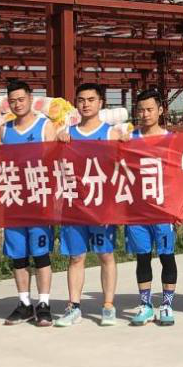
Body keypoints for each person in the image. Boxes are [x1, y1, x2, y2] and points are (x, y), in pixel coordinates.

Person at [54, 82, 122, 328]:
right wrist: (58, 143)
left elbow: (121, 170)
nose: (86, 104)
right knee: (76, 257)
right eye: (81, 100)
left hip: (101, 206)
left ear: (101, 103)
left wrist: (114, 205)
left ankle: (108, 305)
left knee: (106, 255)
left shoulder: (111, 134)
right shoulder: (66, 134)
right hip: (74, 205)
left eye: (91, 100)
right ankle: (74, 306)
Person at [0, 80, 58, 328]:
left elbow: (55, 162)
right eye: (12, 101)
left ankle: (43, 304)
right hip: (13, 201)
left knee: (40, 254)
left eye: (21, 99)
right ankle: (24, 303)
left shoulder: (45, 126)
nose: (17, 104)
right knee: (18, 255)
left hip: (38, 200)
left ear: (31, 99)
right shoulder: (4, 130)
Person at [126, 89, 179, 327]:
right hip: (137, 210)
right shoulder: (128, 139)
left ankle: (166, 304)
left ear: (160, 110)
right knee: (142, 258)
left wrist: (179, 209)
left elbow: (181, 176)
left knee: (167, 257)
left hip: (163, 210)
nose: (145, 114)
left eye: (150, 109)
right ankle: (145, 305)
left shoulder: (172, 139)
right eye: (141, 110)